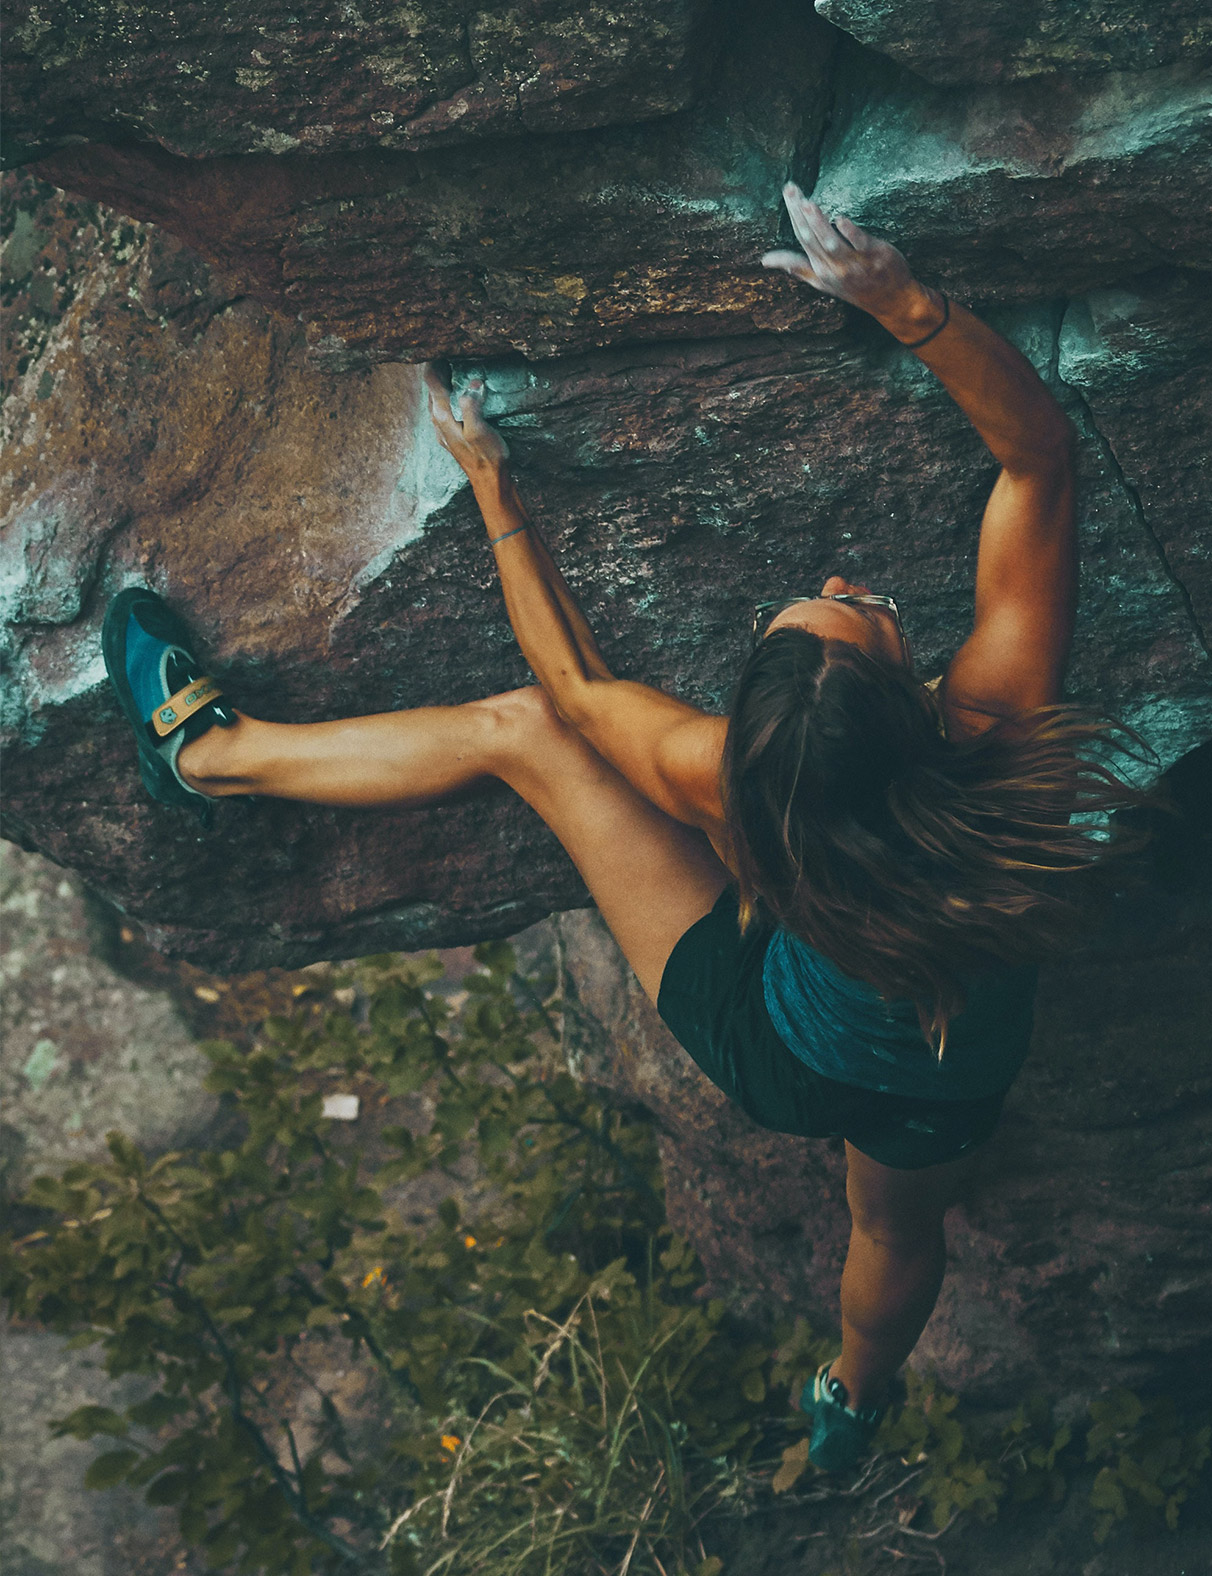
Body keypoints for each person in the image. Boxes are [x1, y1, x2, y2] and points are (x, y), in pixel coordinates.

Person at [103, 183, 1140, 1473]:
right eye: (844, 607)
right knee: (895, 1234)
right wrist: (904, 302)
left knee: (525, 735)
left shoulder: (729, 783)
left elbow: (576, 697)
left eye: (825, 609)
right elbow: (1037, 456)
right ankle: (853, 1407)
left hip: (777, 1047)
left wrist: (493, 488)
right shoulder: (995, 740)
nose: (832, 584)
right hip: (939, 1071)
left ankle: (213, 756)